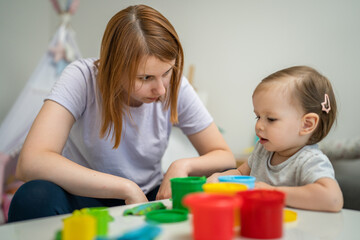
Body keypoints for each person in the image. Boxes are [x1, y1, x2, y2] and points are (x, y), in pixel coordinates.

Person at [8, 4, 235, 222]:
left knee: (224, 176)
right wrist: (125, 187)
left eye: (167, 72)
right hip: (84, 196)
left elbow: (224, 155)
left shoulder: (175, 86)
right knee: (33, 197)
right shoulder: (81, 78)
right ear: (113, 68)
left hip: (148, 194)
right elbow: (30, 162)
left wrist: (182, 165)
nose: (161, 89)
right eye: (145, 78)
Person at [208, 66, 343, 212]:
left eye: (271, 119)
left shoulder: (310, 161)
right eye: (258, 117)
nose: (259, 125)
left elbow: (333, 199)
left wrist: (273, 192)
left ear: (307, 124)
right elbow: (240, 174)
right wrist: (219, 178)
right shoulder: (263, 150)